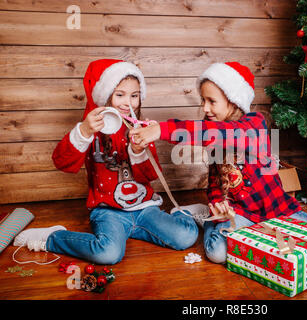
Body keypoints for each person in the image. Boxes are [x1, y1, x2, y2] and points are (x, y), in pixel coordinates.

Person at [130, 62, 307, 264]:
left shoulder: (254, 125)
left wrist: (163, 129)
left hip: (277, 211)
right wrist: (217, 204)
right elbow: (215, 181)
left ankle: (208, 215)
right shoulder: (212, 134)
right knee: (217, 253)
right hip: (239, 214)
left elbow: (223, 133)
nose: (205, 108)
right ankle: (205, 216)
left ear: (234, 101)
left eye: (211, 101)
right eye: (203, 101)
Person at [14, 59, 198, 265]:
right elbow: (62, 163)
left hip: (145, 208)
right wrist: (83, 132)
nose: (128, 103)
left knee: (186, 236)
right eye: (120, 94)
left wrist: (139, 152)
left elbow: (150, 176)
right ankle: (51, 238)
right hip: (108, 211)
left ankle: (180, 214)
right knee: (108, 253)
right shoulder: (91, 131)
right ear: (105, 95)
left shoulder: (143, 129)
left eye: (134, 95)